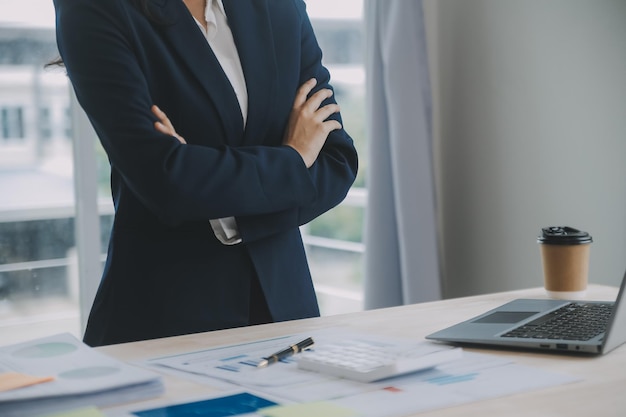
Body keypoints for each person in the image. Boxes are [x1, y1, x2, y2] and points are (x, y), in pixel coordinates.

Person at [53, 0, 358, 346]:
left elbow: (336, 161)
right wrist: (294, 156)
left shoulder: (279, 6)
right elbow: (166, 182)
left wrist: (209, 187)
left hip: (286, 316)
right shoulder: (93, 9)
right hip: (163, 324)